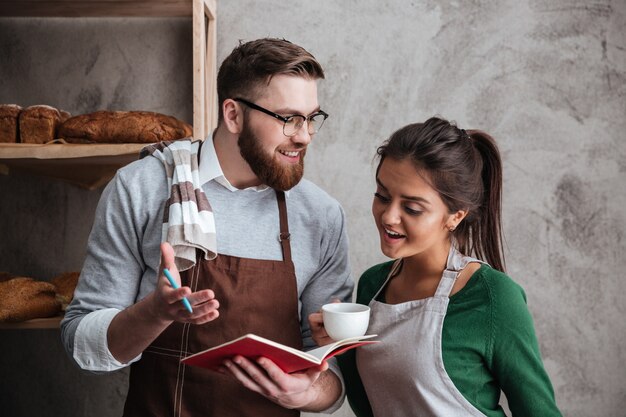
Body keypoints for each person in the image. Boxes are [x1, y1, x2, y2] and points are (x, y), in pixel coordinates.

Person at [61, 38, 353, 417]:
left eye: (312, 117)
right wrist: (154, 313)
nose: (304, 135)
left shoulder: (321, 215)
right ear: (232, 115)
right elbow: (79, 343)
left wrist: (310, 392)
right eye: (288, 118)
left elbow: (335, 378)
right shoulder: (143, 188)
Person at [309, 117, 562, 416]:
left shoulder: (494, 297)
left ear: (455, 216)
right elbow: (368, 404)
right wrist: (337, 346)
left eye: (412, 208)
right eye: (382, 196)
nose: (389, 216)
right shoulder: (372, 286)